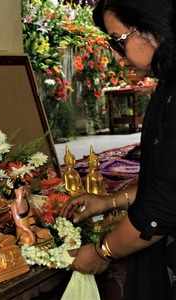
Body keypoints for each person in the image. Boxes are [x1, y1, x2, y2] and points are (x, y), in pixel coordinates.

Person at [61, 0, 176, 299]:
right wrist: (109, 201)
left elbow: (161, 209)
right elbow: (165, 178)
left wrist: (102, 252)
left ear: (148, 29)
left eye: (118, 40)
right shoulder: (167, 83)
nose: (117, 54)